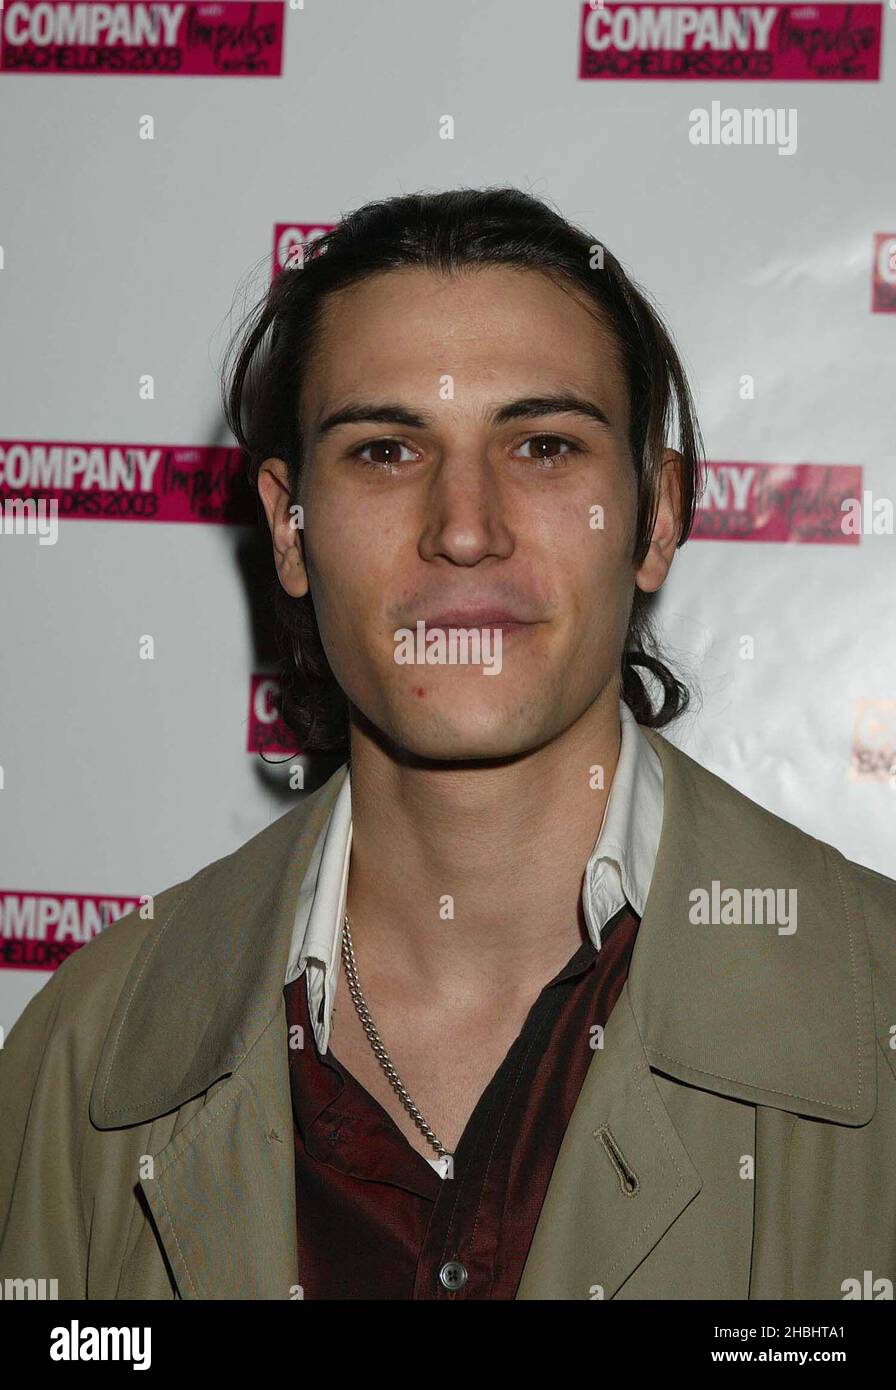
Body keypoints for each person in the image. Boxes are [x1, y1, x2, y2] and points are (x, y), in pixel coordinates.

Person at [2, 187, 894, 1301]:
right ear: (288, 526)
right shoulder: (85, 1057)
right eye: (383, 450)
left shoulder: (877, 1007)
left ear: (656, 515)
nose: (463, 527)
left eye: (542, 445)